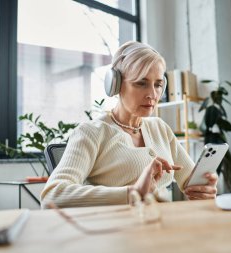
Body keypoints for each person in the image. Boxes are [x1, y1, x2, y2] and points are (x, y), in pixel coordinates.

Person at [40, 41, 218, 208]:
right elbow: (52, 195)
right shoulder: (91, 132)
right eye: (141, 83)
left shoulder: (160, 128)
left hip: (163, 228)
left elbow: (190, 182)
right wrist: (132, 193)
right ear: (115, 85)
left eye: (158, 85)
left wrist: (203, 189)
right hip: (118, 233)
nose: (152, 94)